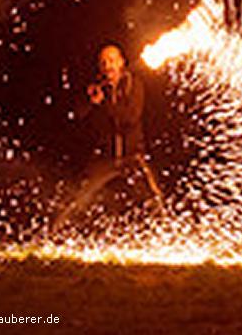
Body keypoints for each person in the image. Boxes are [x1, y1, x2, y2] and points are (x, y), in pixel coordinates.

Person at [51, 44, 163, 231]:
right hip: (104, 157)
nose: (107, 66)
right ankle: (53, 234)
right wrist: (89, 100)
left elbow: (130, 117)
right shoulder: (97, 87)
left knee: (153, 198)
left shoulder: (134, 85)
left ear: (121, 63)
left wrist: (104, 104)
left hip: (131, 156)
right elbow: (77, 115)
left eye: (111, 61)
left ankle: (167, 233)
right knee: (78, 197)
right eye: (103, 63)